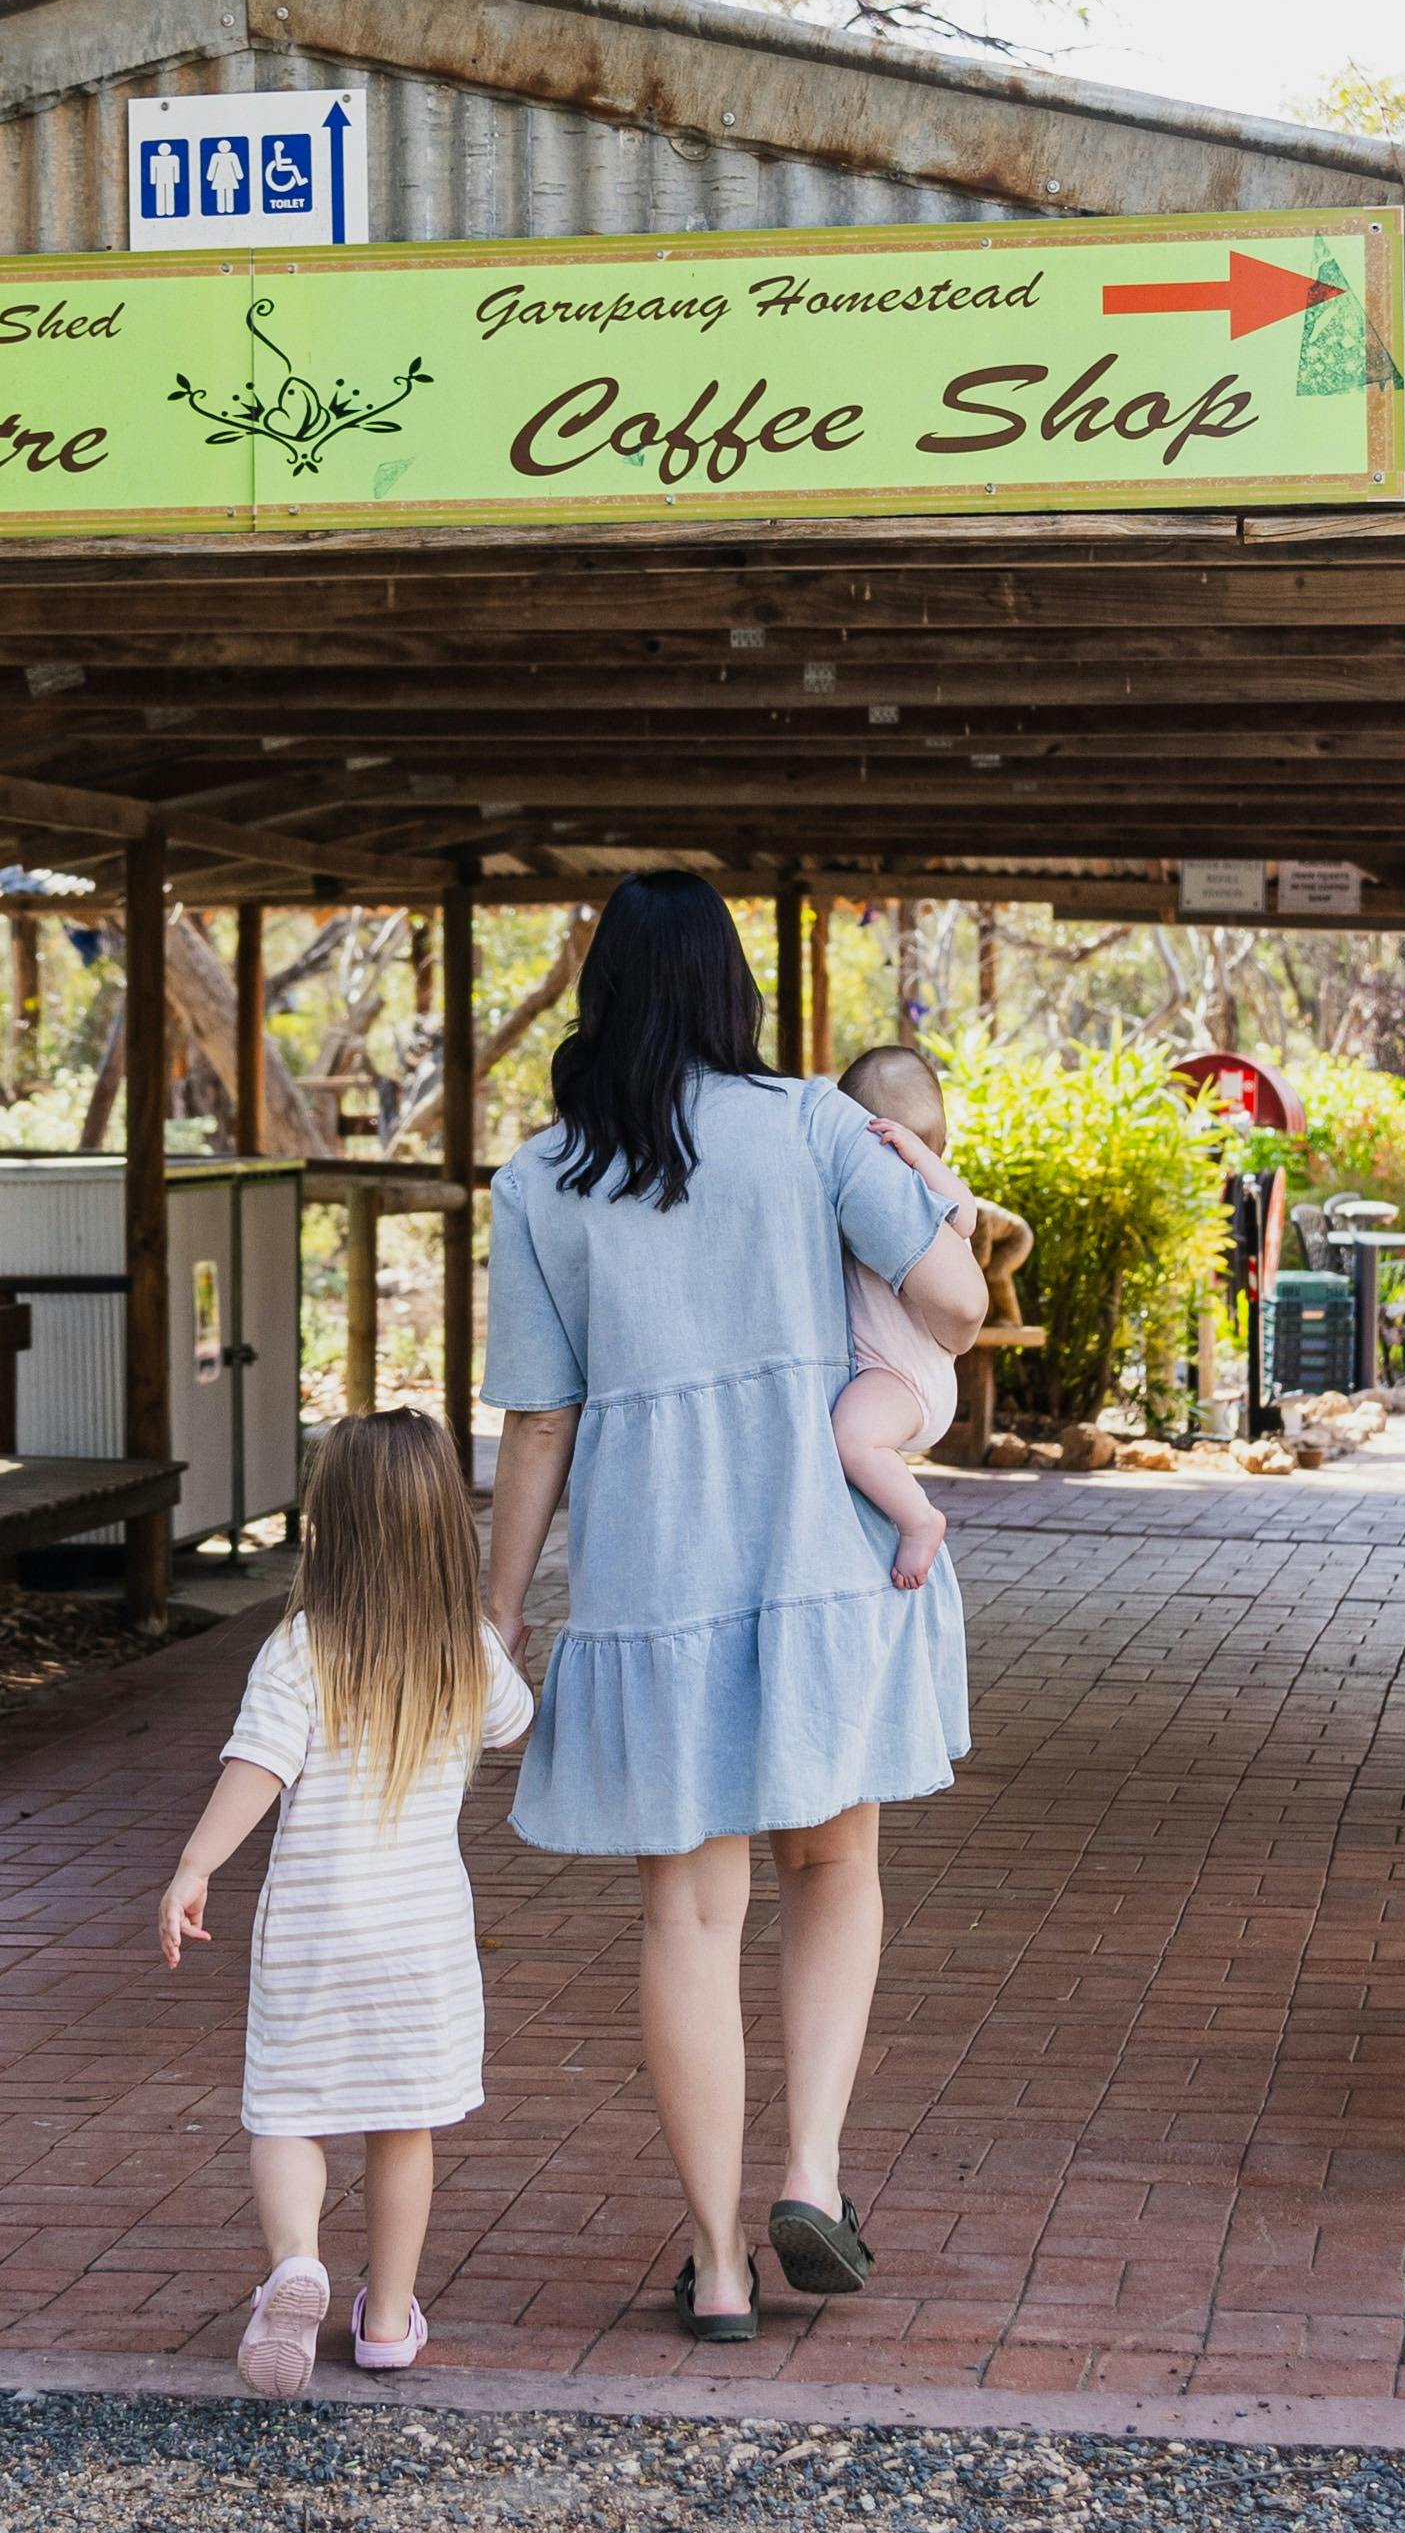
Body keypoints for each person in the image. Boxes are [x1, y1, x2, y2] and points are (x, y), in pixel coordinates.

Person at [480, 875, 987, 2346]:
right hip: (823, 1562)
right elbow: (952, 1303)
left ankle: (713, 2262)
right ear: (730, 992)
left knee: (687, 1914)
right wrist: (919, 1176)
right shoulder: (817, 1125)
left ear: (601, 995)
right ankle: (813, 2171)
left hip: (653, 1578)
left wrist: (501, 1611)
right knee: (833, 1870)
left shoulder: (540, 1179)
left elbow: (534, 1421)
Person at [155, 1407, 528, 2395]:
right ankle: (388, 2321)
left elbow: (256, 1767)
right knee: (402, 2124)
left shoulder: (302, 1648)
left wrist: (195, 1864)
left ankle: (295, 2265)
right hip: (424, 1938)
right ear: (444, 1522)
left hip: (315, 1930)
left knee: (288, 2110)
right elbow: (512, 1724)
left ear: (329, 1524)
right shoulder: (463, 1651)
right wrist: (502, 1630)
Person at [823, 1041, 1014, 1590]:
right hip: (883, 1370)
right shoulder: (857, 1192)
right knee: (849, 1437)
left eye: (900, 1143)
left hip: (906, 1379)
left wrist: (920, 1160)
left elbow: (967, 1216)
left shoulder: (925, 1195)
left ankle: (919, 1519)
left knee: (851, 1439)